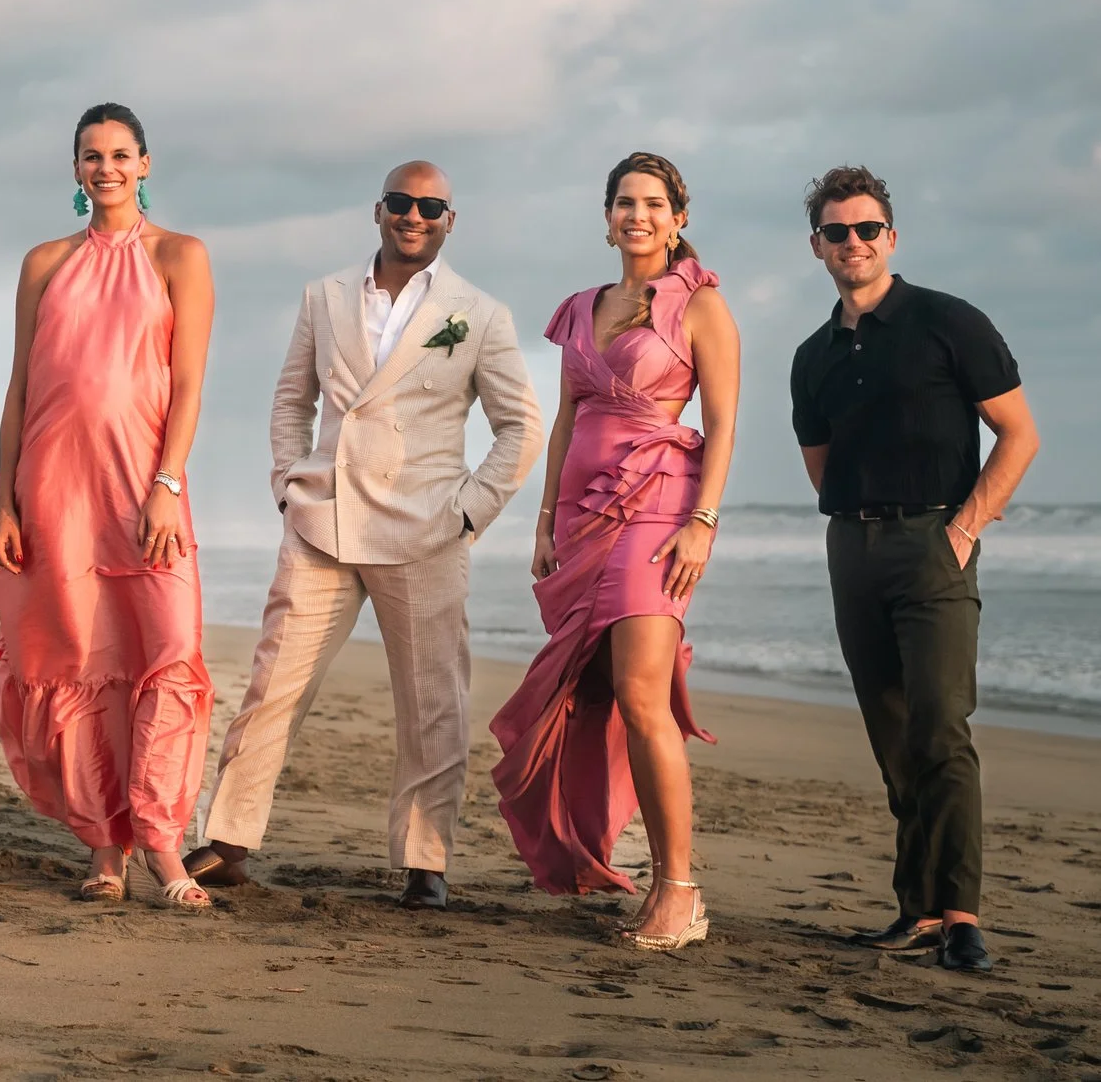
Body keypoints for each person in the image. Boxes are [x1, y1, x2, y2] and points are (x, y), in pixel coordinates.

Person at [187, 161, 539, 909]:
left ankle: (425, 864)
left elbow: (520, 429)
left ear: (450, 219)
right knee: (273, 684)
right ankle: (227, 841)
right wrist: (289, 481)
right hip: (325, 520)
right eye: (402, 203)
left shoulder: (479, 313)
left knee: (434, 701)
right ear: (378, 211)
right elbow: (293, 399)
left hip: (427, 531)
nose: (415, 216)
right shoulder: (325, 296)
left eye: (431, 207)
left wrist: (470, 511)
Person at [0, 103, 217, 906]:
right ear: (75, 171)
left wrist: (167, 485)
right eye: (92, 156)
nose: (107, 168)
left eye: (121, 154)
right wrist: (6, 505)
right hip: (54, 487)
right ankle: (104, 847)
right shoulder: (44, 263)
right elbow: (20, 389)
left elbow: (189, 382)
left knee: (162, 653)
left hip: (141, 489)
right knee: (80, 661)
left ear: (145, 164)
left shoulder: (181, 257)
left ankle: (163, 845)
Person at [490, 152, 739, 951]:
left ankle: (681, 891)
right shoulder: (580, 307)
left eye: (654, 203)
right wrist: (542, 522)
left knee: (640, 692)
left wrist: (704, 520)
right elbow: (565, 420)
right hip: (582, 516)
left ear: (679, 218)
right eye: (625, 203)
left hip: (660, 506)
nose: (638, 215)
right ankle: (594, 847)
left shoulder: (698, 305)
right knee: (591, 694)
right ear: (607, 218)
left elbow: (726, 423)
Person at [792, 166, 1037, 974]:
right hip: (852, 551)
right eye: (837, 231)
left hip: (935, 545)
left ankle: (961, 913)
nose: (852, 242)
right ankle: (917, 909)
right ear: (818, 245)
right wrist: (861, 527)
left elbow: (1018, 435)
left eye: (867, 229)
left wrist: (963, 529)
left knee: (940, 727)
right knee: (894, 735)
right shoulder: (812, 354)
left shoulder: (947, 322)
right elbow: (821, 466)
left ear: (890, 237)